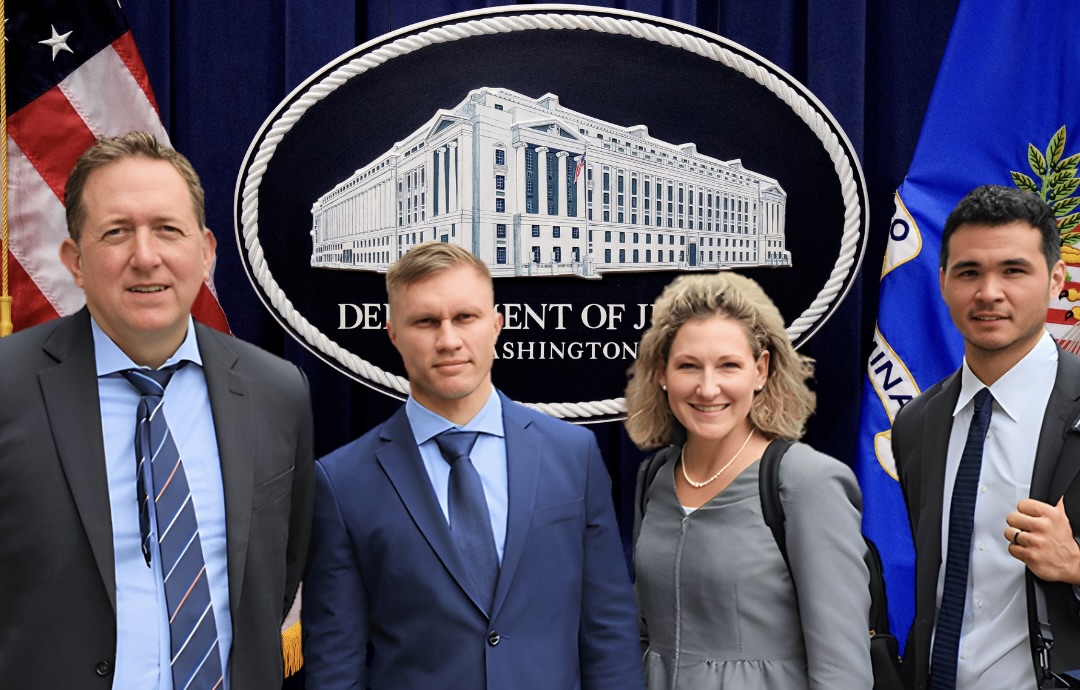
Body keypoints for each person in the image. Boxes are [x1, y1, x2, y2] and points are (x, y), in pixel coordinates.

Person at [0, 132, 315, 689]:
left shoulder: (277, 391)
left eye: (168, 229)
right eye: (116, 232)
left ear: (206, 252)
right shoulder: (8, 386)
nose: (145, 257)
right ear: (74, 260)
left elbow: (282, 570)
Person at [302, 241, 643, 690]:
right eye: (426, 321)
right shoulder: (343, 482)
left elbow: (609, 631)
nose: (448, 340)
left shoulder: (572, 454)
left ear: (496, 325)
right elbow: (335, 663)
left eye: (465, 317)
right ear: (393, 334)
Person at [625, 271, 872, 690]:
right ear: (663, 372)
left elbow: (841, 670)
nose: (707, 388)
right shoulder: (655, 477)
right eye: (688, 366)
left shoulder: (806, 482)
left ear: (760, 370)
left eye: (728, 365)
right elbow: (644, 633)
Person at [892, 184, 1080, 690]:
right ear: (942, 282)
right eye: (969, 272)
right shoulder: (915, 424)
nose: (989, 292)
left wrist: (1076, 566)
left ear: (1056, 279)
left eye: (1014, 270)